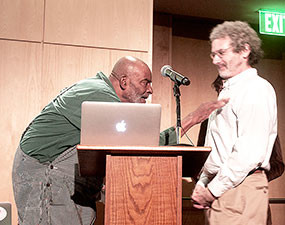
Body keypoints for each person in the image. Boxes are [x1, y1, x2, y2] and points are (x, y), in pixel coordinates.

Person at [12, 56, 228, 225]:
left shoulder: (100, 93)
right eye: (146, 82)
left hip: (60, 178)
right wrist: (191, 119)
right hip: (45, 175)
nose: (150, 89)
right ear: (124, 82)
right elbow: (143, 142)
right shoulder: (99, 95)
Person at [191, 21, 278, 225]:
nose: (215, 60)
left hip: (239, 189)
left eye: (221, 53)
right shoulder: (229, 90)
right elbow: (220, 148)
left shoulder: (256, 89)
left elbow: (249, 153)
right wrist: (204, 182)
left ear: (245, 50)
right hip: (223, 188)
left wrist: (211, 190)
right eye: (213, 54)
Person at [196, 75, 285, 225]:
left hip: (247, 199)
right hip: (217, 201)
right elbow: (201, 160)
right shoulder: (208, 123)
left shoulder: (258, 119)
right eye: (221, 91)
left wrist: (245, 178)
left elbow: (277, 163)